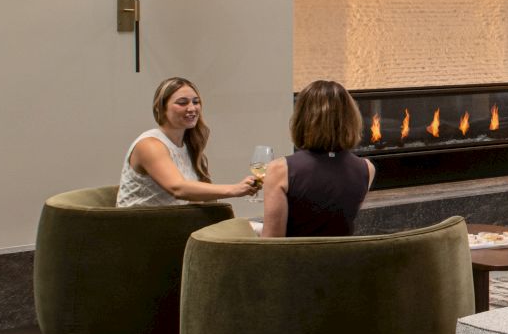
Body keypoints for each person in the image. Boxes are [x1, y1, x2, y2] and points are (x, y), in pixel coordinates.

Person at [118, 77, 262, 207]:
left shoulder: (187, 145)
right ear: (160, 108)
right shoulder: (149, 145)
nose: (192, 108)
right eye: (182, 103)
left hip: (177, 223)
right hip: (139, 230)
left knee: (260, 227)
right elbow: (178, 188)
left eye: (196, 102)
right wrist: (235, 189)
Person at [260, 80, 375, 238]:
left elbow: (272, 242)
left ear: (302, 118)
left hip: (296, 261)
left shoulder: (279, 169)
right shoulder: (367, 168)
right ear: (350, 118)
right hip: (344, 260)